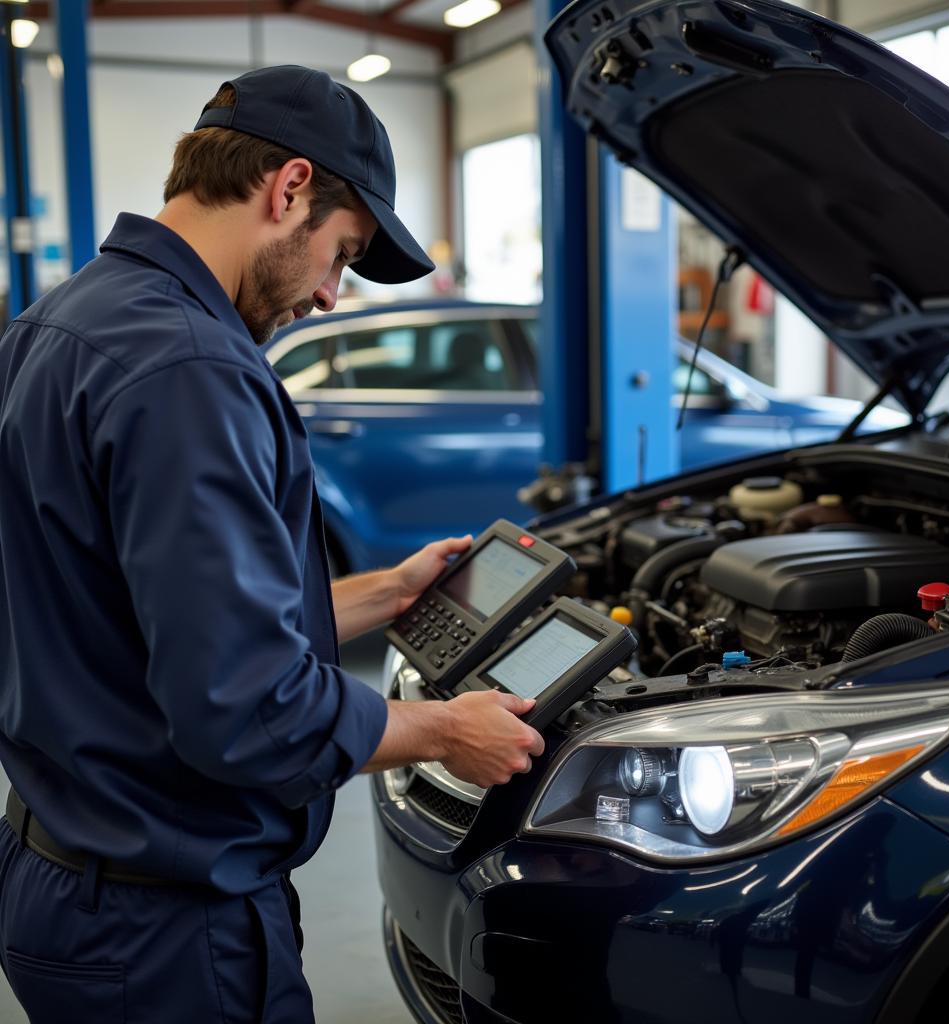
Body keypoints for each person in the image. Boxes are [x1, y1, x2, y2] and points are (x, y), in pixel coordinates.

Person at [0, 65, 544, 1023]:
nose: (333, 295)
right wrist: (448, 732)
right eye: (342, 254)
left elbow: (142, 619)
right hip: (163, 928)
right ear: (289, 186)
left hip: (64, 878)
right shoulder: (191, 368)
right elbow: (247, 709)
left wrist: (382, 593)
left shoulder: (58, 323)